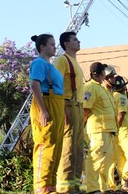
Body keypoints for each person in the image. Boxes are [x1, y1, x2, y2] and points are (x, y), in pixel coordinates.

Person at [29, 34, 65, 194]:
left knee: (56, 147)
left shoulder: (51, 66)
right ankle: (41, 187)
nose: (54, 47)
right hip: (46, 102)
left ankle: (51, 186)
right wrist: (43, 110)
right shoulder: (39, 63)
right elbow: (34, 85)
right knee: (46, 144)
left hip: (57, 104)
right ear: (42, 46)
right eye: (51, 44)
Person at [54, 32, 85, 194]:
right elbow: (55, 82)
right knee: (68, 145)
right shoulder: (62, 60)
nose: (78, 41)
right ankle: (64, 185)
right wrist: (63, 106)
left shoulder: (76, 63)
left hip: (78, 106)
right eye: (74, 39)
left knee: (78, 148)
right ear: (66, 43)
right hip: (69, 104)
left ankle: (75, 184)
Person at [82, 62, 117, 194]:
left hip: (107, 129)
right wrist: (81, 127)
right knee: (95, 158)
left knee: (105, 161)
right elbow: (85, 109)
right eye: (104, 72)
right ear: (101, 73)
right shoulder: (90, 87)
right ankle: (92, 188)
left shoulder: (101, 88)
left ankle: (103, 187)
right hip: (97, 129)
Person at [110, 76, 128, 194]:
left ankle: (124, 186)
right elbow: (121, 114)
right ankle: (125, 181)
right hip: (124, 131)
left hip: (117, 132)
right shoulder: (122, 97)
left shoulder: (112, 96)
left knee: (121, 159)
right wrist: (118, 129)